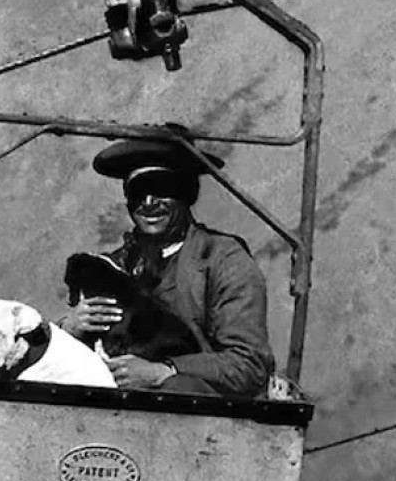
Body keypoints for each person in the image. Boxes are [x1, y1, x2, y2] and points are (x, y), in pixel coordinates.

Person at [59, 132, 274, 397]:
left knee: (177, 388)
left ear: (187, 195)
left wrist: (164, 371)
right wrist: (69, 330)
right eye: (139, 192)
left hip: (200, 421)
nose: (149, 203)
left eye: (162, 189)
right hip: (112, 416)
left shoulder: (224, 260)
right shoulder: (111, 268)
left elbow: (249, 365)